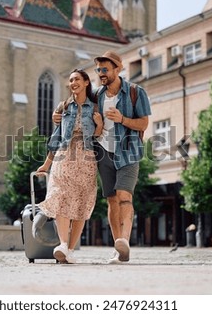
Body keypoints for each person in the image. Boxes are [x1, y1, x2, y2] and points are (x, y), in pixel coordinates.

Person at [36, 69, 103, 264]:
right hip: (64, 156)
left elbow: (99, 137)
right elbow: (56, 136)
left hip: (87, 158)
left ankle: (70, 251)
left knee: (81, 202)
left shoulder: (95, 107)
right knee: (61, 198)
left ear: (86, 83)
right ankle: (63, 245)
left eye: (76, 80)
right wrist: (47, 163)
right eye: (70, 80)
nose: (72, 83)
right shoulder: (63, 107)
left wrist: (98, 125)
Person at [92, 50, 151, 264]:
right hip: (103, 152)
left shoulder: (135, 92)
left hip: (128, 152)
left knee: (124, 196)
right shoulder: (96, 95)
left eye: (105, 69)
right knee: (112, 201)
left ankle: (124, 242)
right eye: (99, 70)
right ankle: (118, 248)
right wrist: (59, 114)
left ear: (118, 69)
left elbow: (143, 123)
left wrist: (122, 118)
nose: (101, 73)